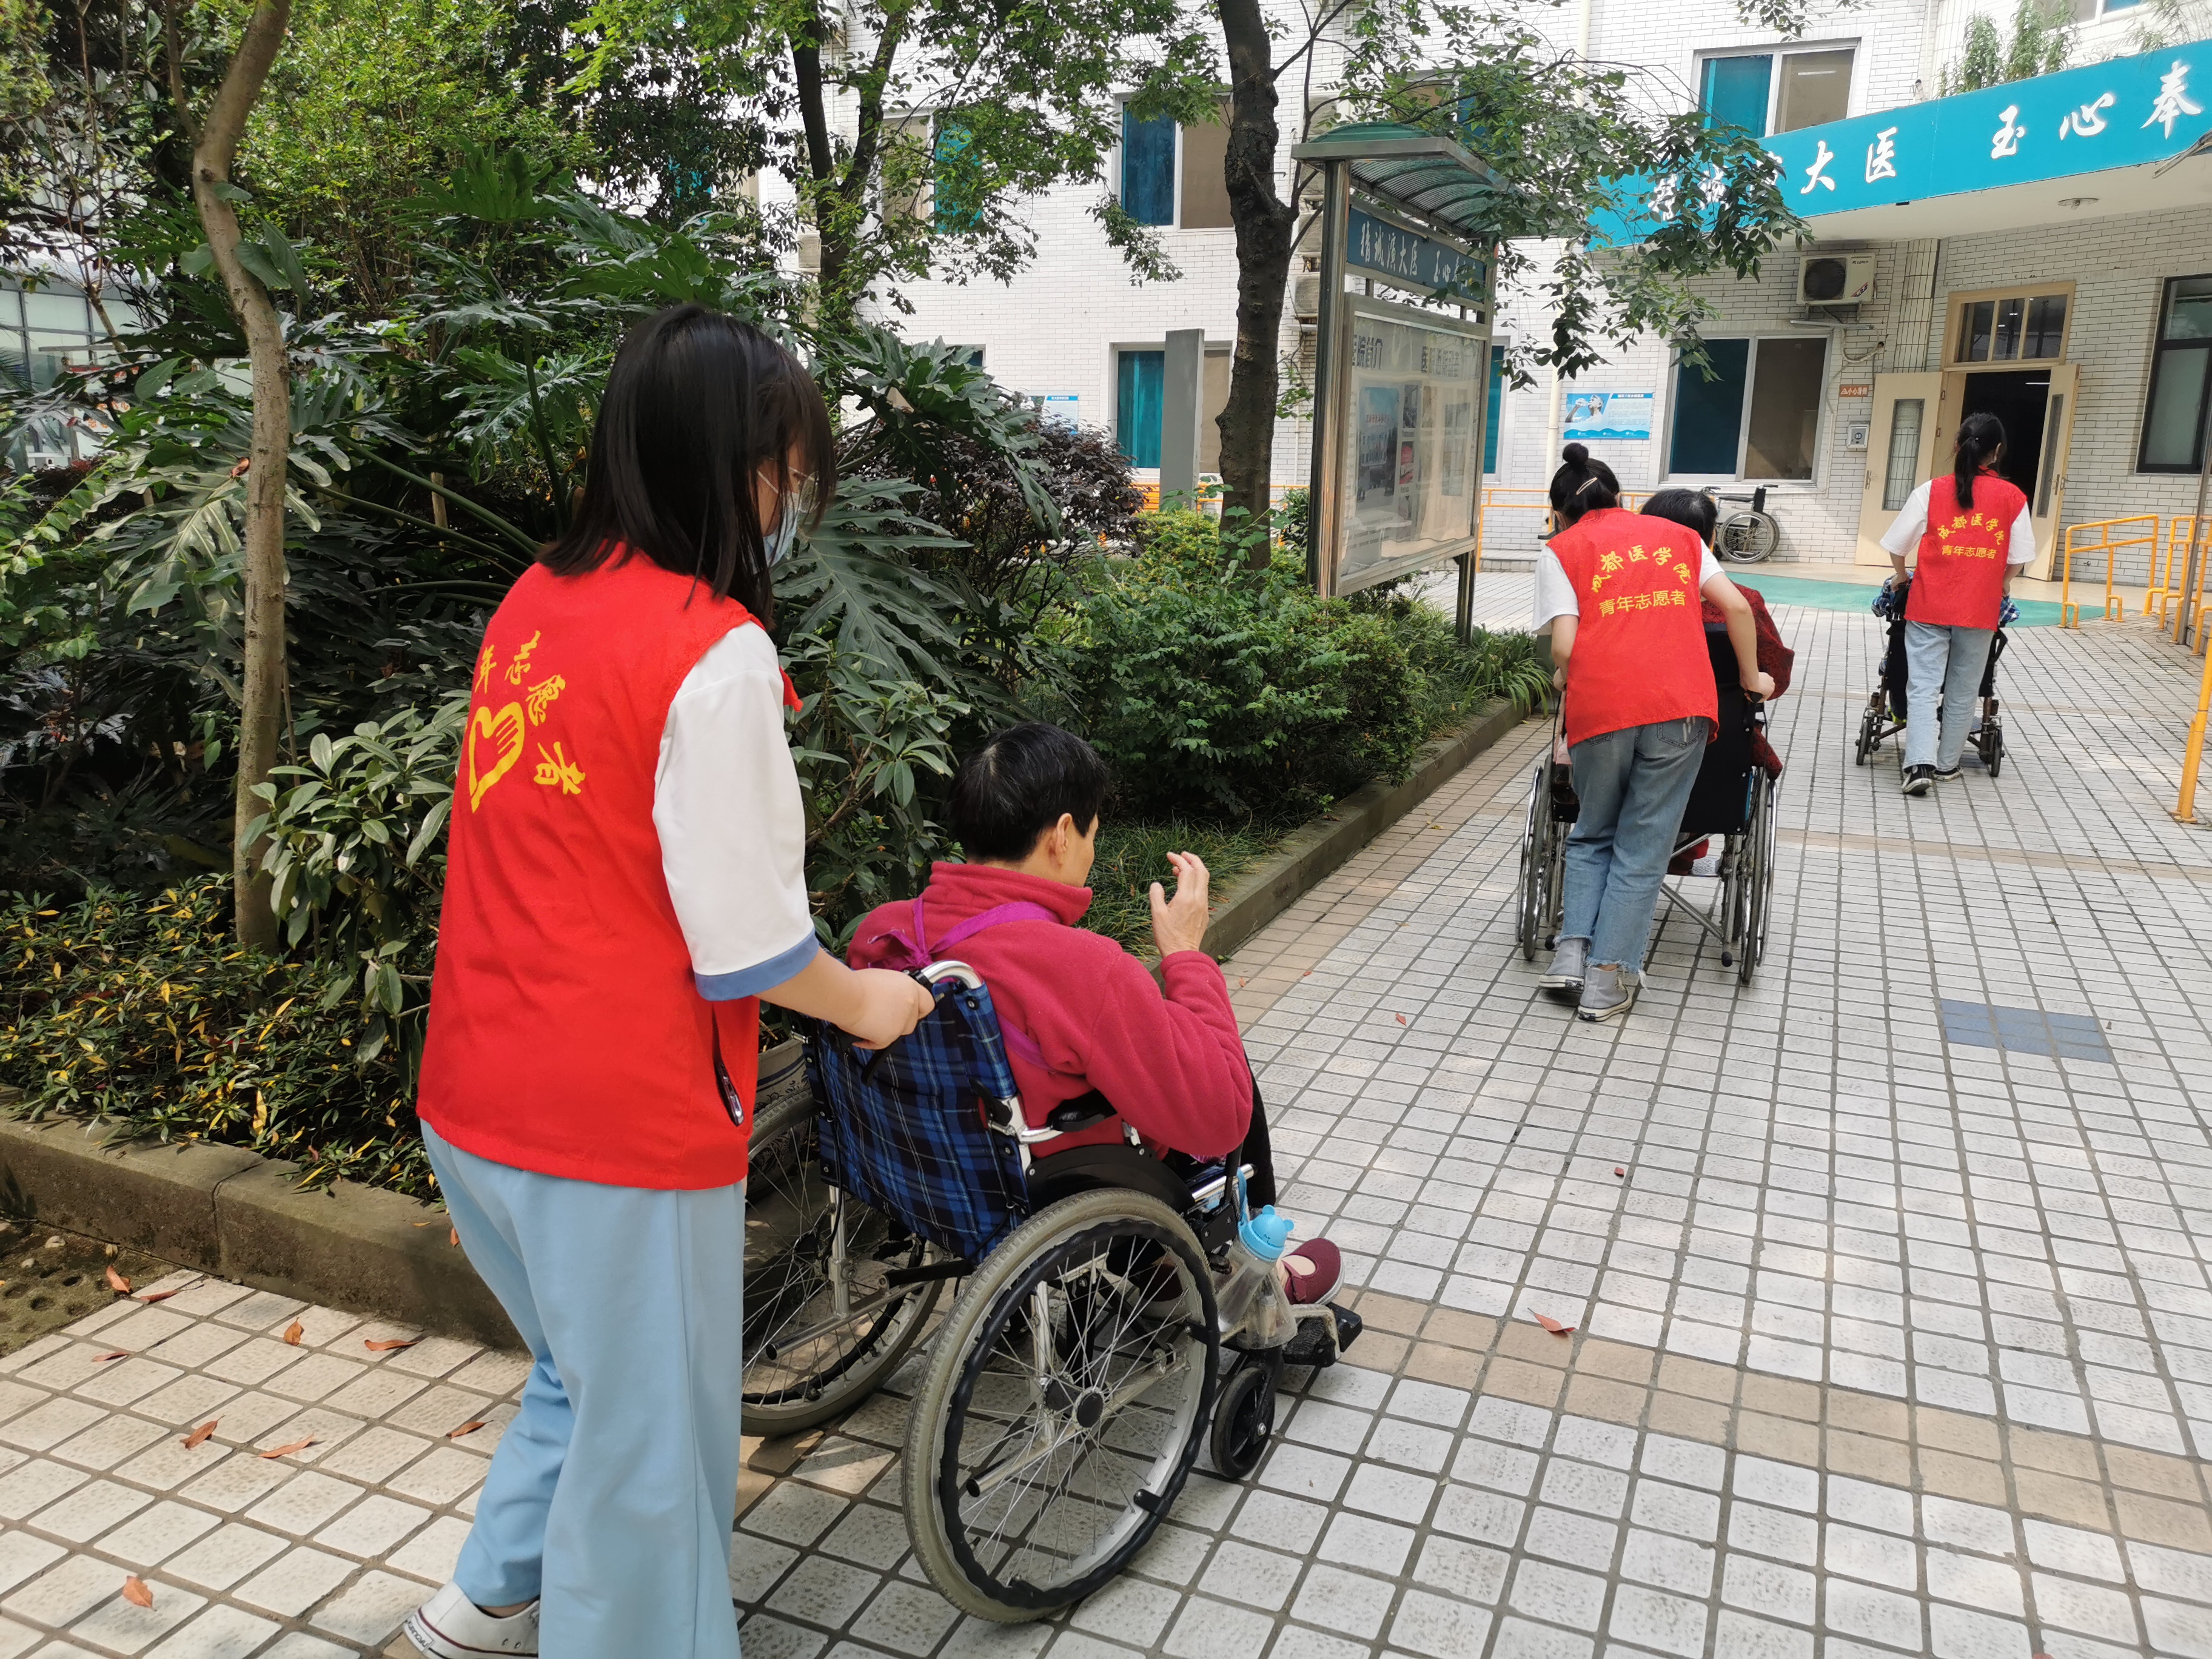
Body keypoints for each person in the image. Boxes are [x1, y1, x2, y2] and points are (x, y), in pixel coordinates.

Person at [403, 305, 933, 1659]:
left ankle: (484, 1602)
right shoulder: (715, 650)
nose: (794, 497)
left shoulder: (539, 600)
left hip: (474, 1091)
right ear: (728, 465)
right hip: (616, 1126)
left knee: (588, 1378)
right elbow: (751, 942)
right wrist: (874, 1002)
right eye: (784, 468)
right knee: (656, 1446)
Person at [846, 722, 1342, 1303]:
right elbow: (1220, 1114)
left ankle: (1158, 1259)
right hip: (1046, 1187)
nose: (1090, 848)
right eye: (1091, 834)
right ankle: (1261, 1278)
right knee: (1229, 1077)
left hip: (923, 1171)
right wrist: (1185, 954)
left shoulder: (885, 931)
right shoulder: (1079, 966)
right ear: (1061, 835)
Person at [1534, 446, 1775, 1022]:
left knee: (1592, 834)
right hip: (1680, 711)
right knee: (1643, 847)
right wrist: (1751, 677)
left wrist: (1572, 675)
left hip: (1602, 714)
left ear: (1560, 514)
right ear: (1621, 499)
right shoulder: (1680, 539)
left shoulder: (1561, 551)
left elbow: (1563, 647)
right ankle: (1610, 980)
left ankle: (1571, 956)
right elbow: (1738, 610)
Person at [1879, 412, 2032, 796]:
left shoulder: (1931, 490)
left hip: (1929, 606)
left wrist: (1901, 576)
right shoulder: (2013, 498)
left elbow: (1897, 545)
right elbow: (2018, 558)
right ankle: (1947, 766)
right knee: (1964, 688)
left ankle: (1918, 765)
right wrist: (1999, 586)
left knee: (1923, 686)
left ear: (1956, 446)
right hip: (1978, 611)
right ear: (1997, 453)